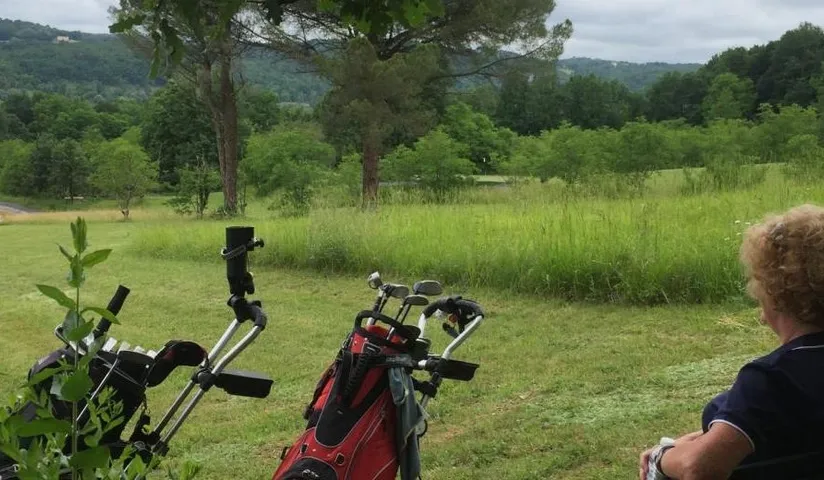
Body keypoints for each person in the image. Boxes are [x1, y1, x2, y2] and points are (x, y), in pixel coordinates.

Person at [640, 204, 824, 480]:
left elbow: (699, 468)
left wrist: (661, 455)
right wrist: (701, 439)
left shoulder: (772, 378)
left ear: (776, 292)